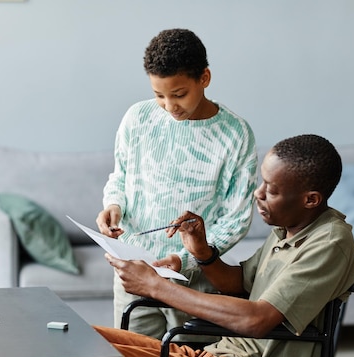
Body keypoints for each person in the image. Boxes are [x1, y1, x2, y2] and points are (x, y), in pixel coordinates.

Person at [88, 134, 354, 357]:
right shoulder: (289, 229)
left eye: (273, 190)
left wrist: (155, 286)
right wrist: (202, 251)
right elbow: (237, 281)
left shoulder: (330, 242)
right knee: (89, 344)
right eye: (262, 182)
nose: (259, 193)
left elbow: (257, 319)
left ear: (311, 200)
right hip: (222, 355)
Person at [96, 28, 257, 338]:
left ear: (205, 78)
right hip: (134, 270)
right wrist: (113, 205)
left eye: (179, 94)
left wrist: (185, 260)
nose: (170, 106)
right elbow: (121, 176)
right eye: (159, 95)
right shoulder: (137, 118)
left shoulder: (235, 134)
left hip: (194, 283)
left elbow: (235, 220)